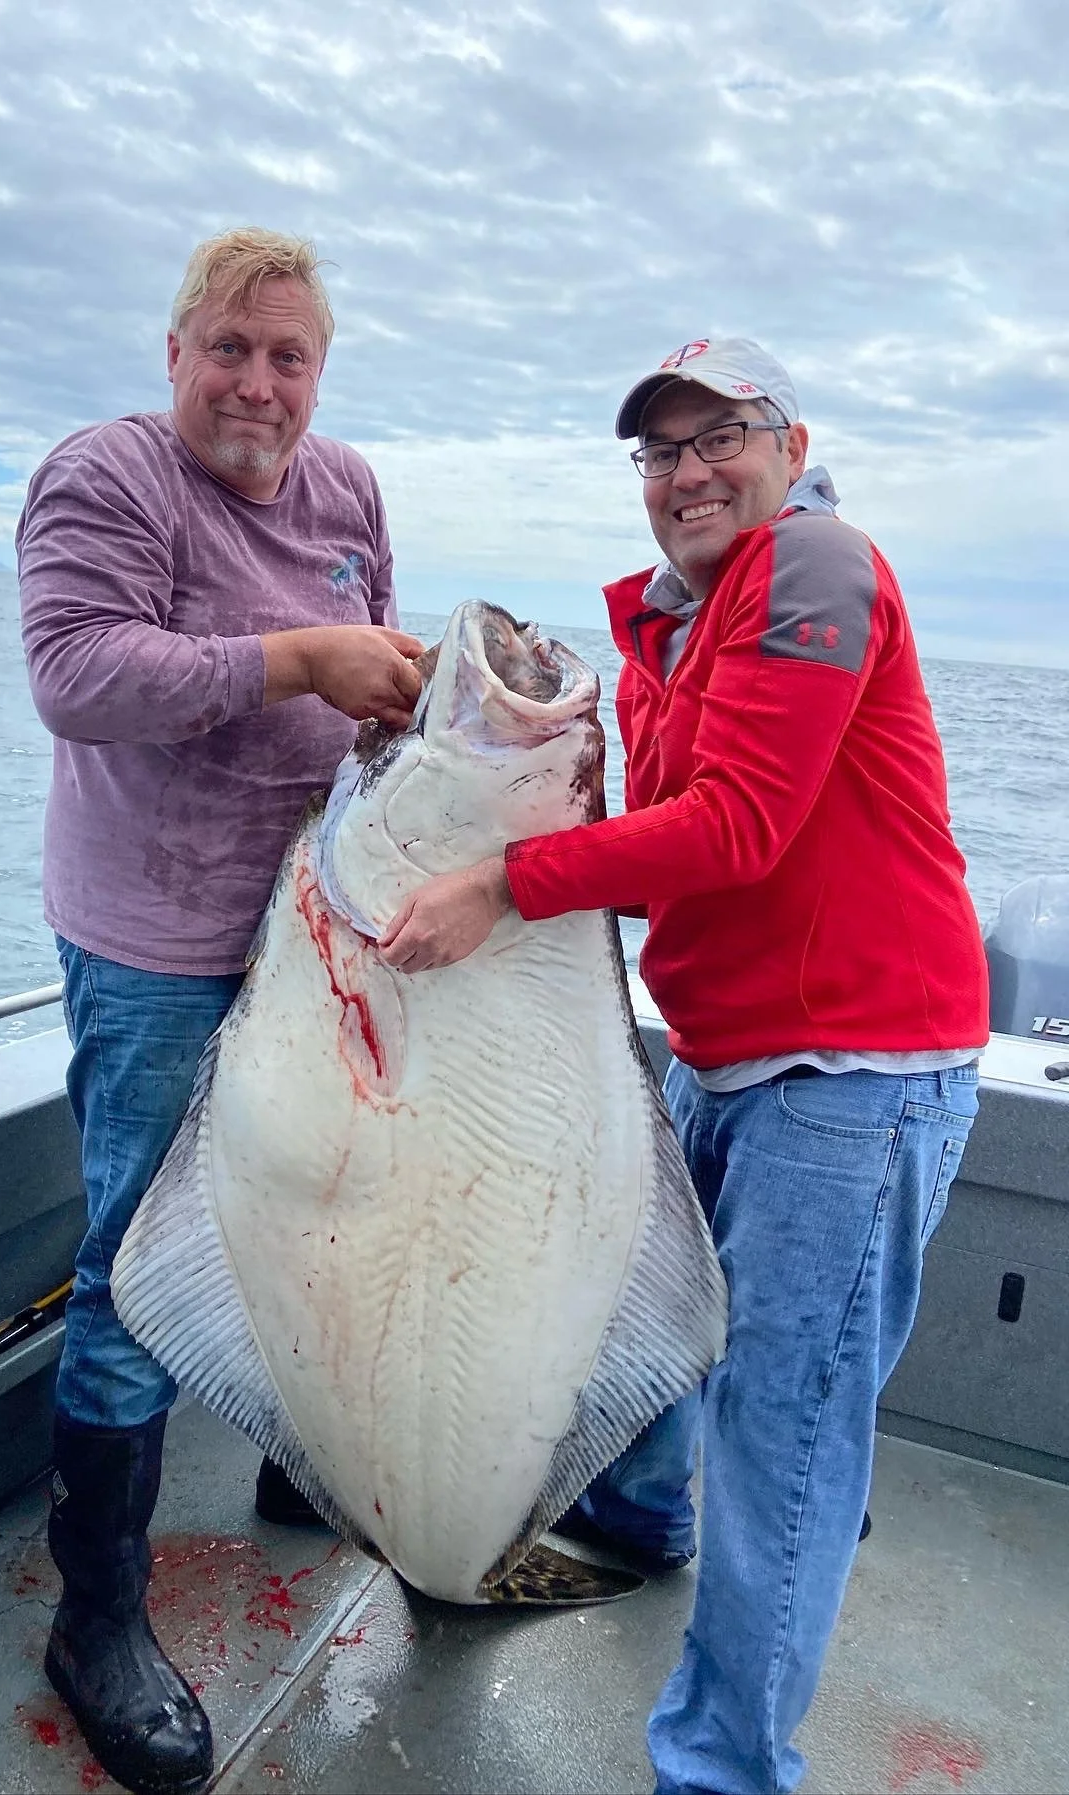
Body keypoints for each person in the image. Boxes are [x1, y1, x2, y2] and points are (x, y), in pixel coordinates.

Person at [377, 338, 988, 1795]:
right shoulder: (672, 625)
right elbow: (663, 863)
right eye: (661, 451)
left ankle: (723, 1770)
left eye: (723, 437)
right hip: (721, 1053)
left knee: (781, 1433)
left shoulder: (819, 562)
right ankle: (642, 1518)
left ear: (791, 447)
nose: (689, 472)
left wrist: (503, 883)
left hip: (854, 1071)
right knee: (636, 1318)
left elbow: (739, 826)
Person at [17, 227, 422, 1795]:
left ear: (322, 373)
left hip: (310, 942)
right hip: (156, 947)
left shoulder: (349, 489)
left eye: (290, 355)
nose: (259, 383)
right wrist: (300, 656)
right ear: (175, 352)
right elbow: (77, 672)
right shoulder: (107, 476)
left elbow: (372, 700)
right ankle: (98, 1619)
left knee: (309, 1213)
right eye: (232, 349)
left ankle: (289, 1462)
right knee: (142, 1264)